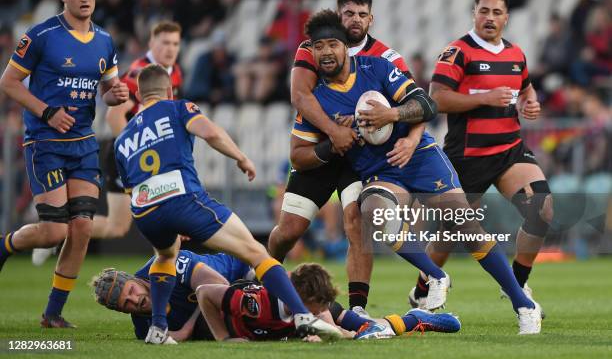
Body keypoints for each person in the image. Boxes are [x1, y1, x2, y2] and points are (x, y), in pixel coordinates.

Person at [291, 9, 542, 334]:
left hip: (420, 157)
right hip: (380, 171)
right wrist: (331, 143)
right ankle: (436, 274)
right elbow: (299, 156)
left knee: (465, 225)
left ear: (344, 47)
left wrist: (391, 114)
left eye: (332, 45)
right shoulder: (316, 102)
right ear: (311, 51)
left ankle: (523, 303)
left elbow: (426, 104)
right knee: (375, 213)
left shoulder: (377, 68)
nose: (326, 52)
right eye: (319, 46)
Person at [113, 64, 341, 344]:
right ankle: (302, 315)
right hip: (182, 198)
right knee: (255, 251)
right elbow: (211, 133)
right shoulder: (177, 108)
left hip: (146, 211)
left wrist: (165, 215)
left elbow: (129, 188)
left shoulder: (121, 138)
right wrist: (240, 157)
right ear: (170, 90)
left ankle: (158, 329)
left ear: (138, 94)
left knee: (165, 257)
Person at [268, 0, 424, 316]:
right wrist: (334, 133)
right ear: (339, 16)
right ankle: (263, 280)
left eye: (361, 14)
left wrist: (410, 139)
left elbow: (418, 104)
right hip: (323, 149)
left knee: (356, 224)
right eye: (348, 13)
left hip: (359, 159)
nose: (355, 20)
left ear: (371, 18)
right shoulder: (312, 48)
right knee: (288, 232)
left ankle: (358, 310)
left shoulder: (384, 58)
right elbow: (300, 96)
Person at [409, 0, 553, 320]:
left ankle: (516, 285)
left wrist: (530, 100)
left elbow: (526, 85)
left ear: (507, 17)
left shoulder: (516, 54)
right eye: (484, 11)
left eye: (496, 12)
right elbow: (437, 99)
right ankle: (420, 291)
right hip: (467, 157)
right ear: (474, 13)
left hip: (509, 152)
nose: (489, 18)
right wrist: (483, 99)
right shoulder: (458, 52)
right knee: (450, 234)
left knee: (542, 209)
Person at [0, 0, 129, 328]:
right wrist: (47, 112)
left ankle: (53, 313)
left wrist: (115, 94)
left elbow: (108, 88)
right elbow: (9, 82)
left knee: (83, 227)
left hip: (84, 143)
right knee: (55, 231)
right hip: (46, 142)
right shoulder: (41, 36)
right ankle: (5, 245)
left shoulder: (105, 40)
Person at [31, 20, 184, 265]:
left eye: (175, 43)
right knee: (165, 222)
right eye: (165, 42)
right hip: (130, 154)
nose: (170, 49)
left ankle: (61, 230)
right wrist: (137, 151)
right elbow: (114, 117)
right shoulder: (138, 74)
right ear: (151, 43)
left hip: (147, 154)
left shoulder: (174, 71)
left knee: (117, 227)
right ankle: (168, 284)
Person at [196, 262, 461, 341]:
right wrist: (223, 338)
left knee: (363, 331)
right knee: (359, 332)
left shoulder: (315, 307)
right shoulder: (252, 303)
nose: (322, 311)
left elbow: (338, 331)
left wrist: (329, 333)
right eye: (318, 306)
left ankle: (414, 319)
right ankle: (414, 319)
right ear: (301, 299)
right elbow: (205, 292)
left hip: (301, 305)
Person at [91, 250, 253, 341]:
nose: (135, 300)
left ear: (135, 279)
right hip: (226, 310)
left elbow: (218, 283)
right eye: (126, 304)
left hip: (242, 272)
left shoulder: (165, 265)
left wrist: (186, 330)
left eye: (132, 290)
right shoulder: (142, 326)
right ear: (123, 311)